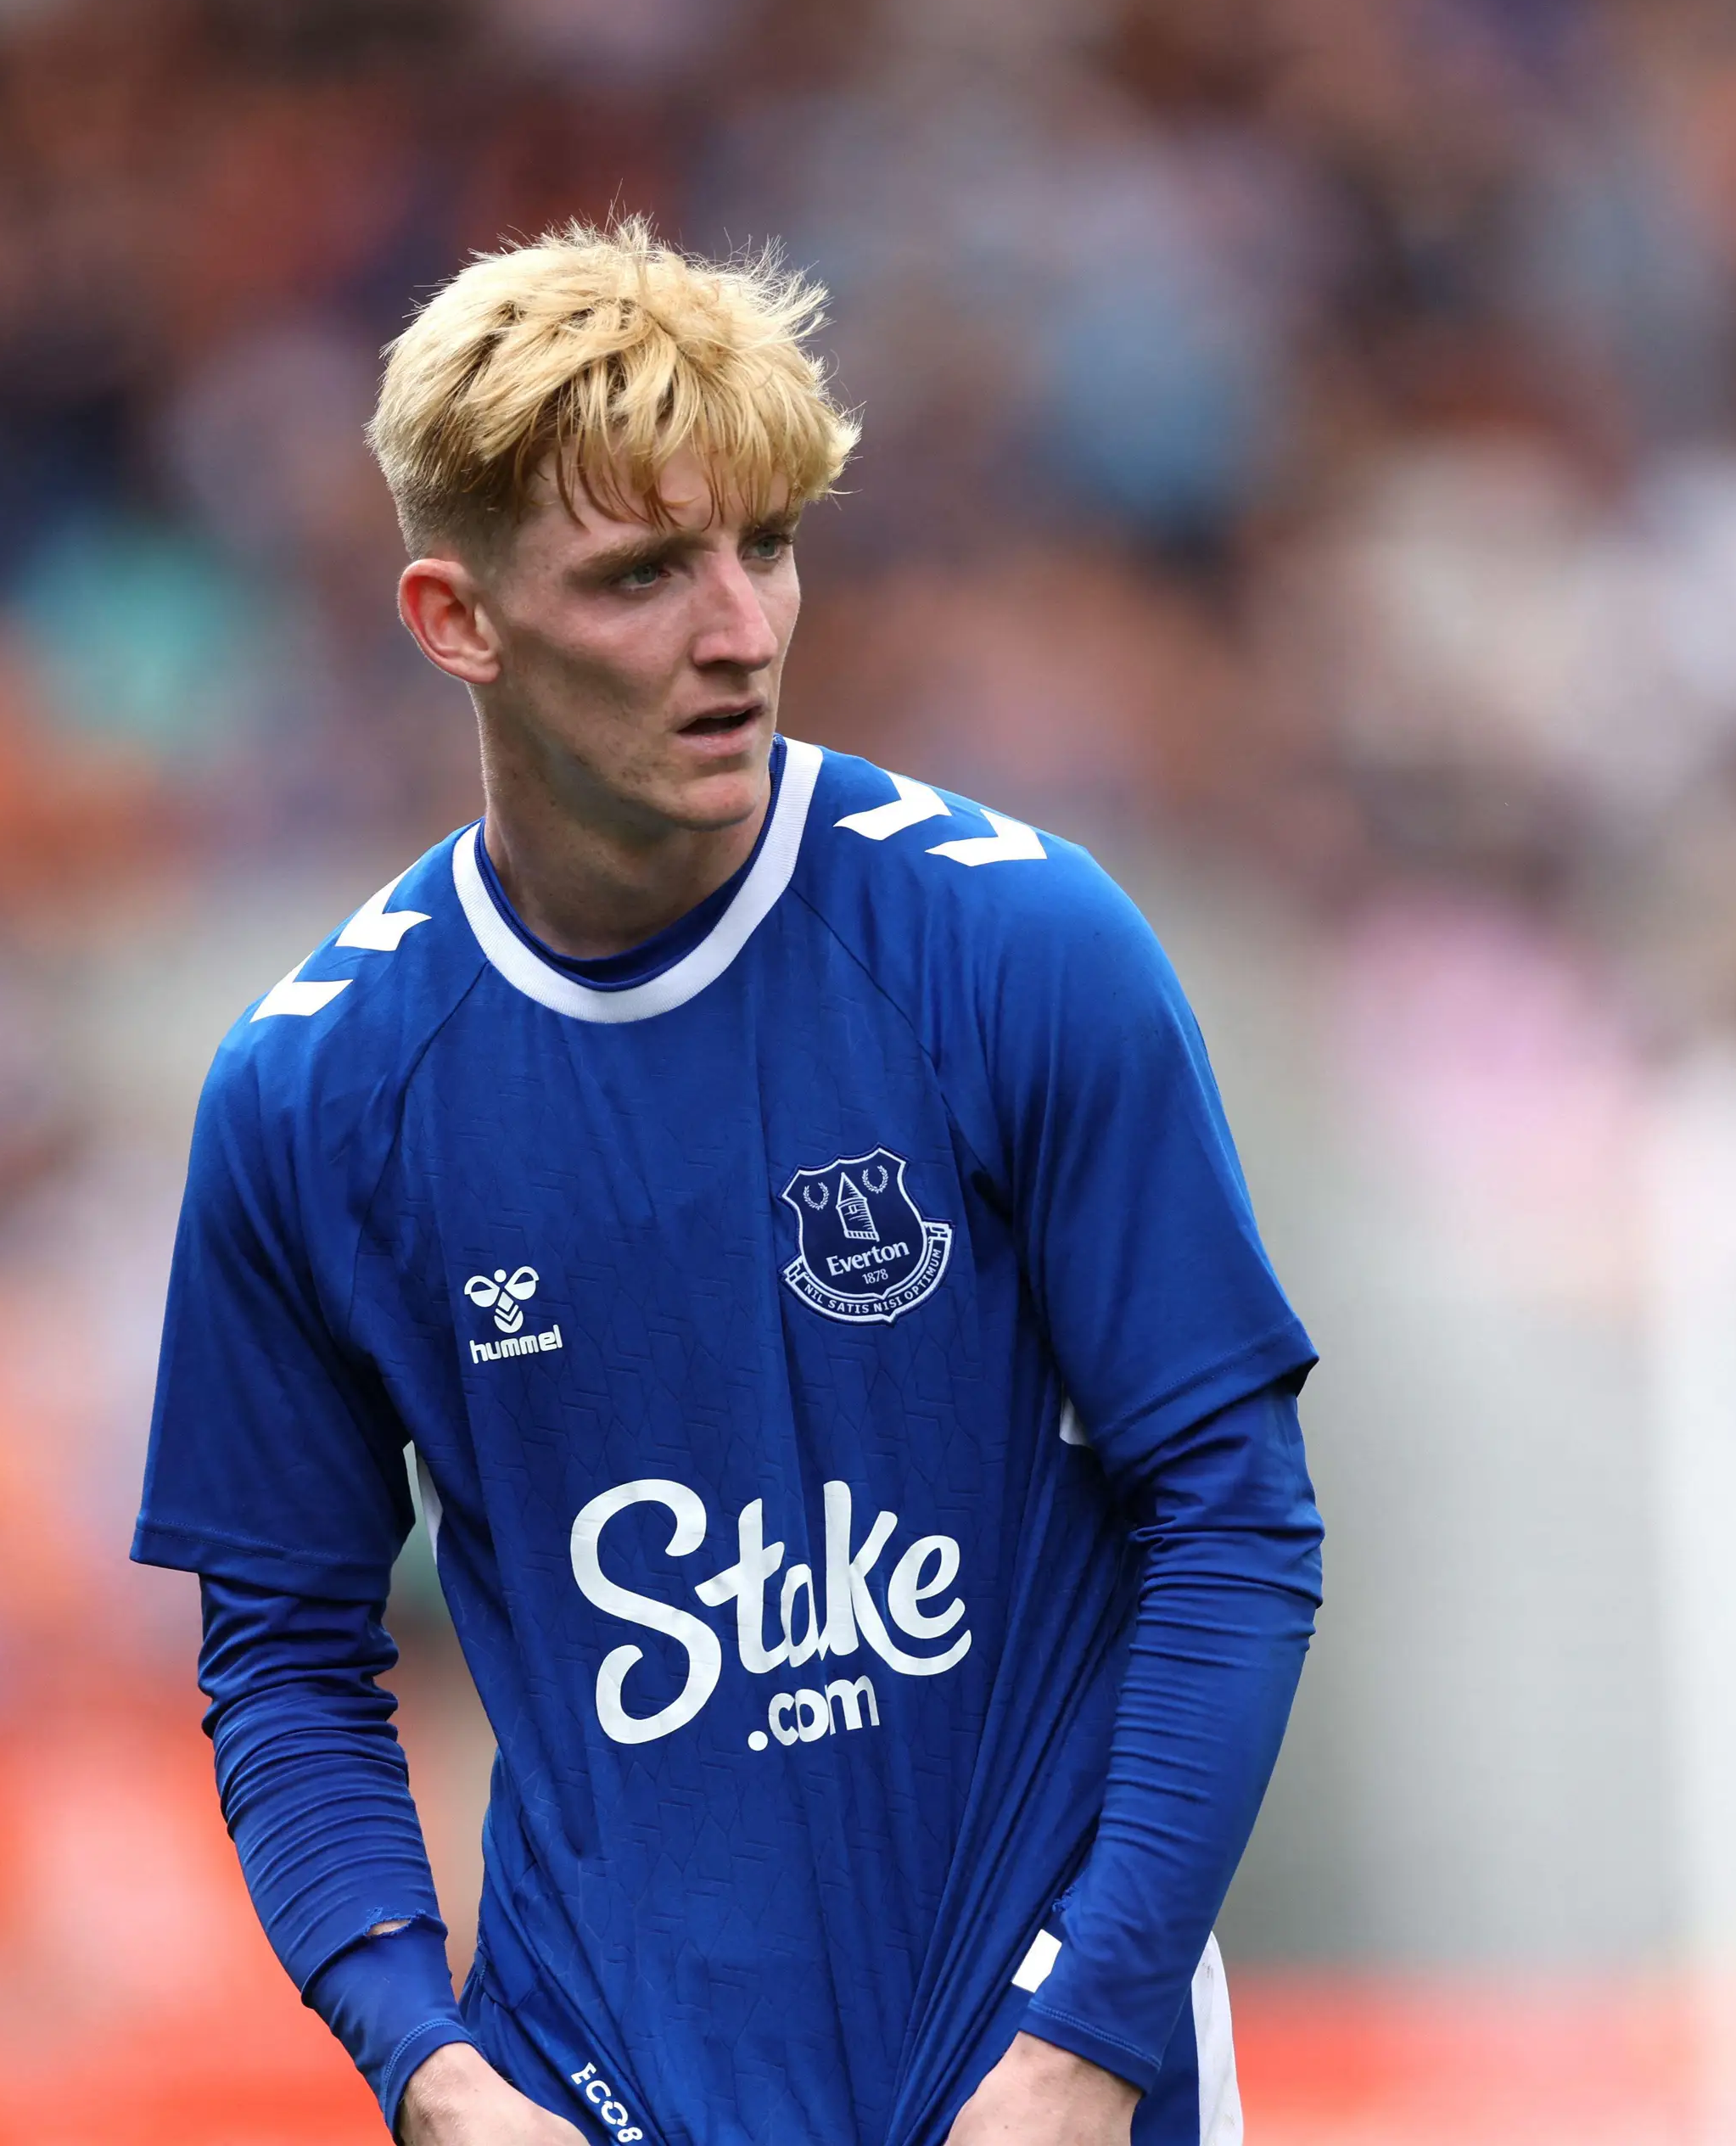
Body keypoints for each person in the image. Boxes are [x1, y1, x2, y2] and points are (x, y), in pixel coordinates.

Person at [130, 217, 1325, 2146]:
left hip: (1048, 2092)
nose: (741, 629)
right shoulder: (317, 1095)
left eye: (765, 544)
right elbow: (281, 1650)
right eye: (640, 574)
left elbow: (1238, 1516)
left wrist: (1090, 2040)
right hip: (602, 2093)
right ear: (456, 621)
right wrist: (425, 2064)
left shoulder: (1024, 955)